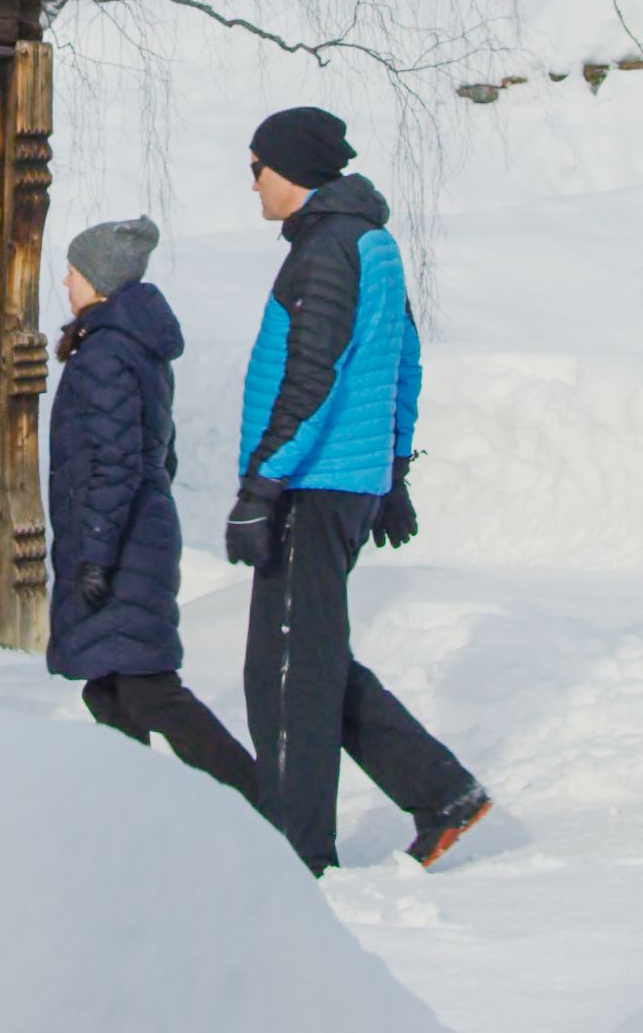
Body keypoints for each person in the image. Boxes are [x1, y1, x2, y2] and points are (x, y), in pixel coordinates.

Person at [226, 106, 492, 873]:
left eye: (257, 169)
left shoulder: (327, 250)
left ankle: (293, 854)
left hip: (312, 484)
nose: (252, 186)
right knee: (308, 657)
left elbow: (313, 377)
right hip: (344, 483)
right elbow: (402, 362)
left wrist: (261, 486)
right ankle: (439, 791)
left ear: (294, 171)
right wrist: (394, 473)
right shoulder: (370, 244)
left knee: (283, 674)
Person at [47, 217, 257, 801]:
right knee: (110, 690)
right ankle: (138, 814)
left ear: (100, 281)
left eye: (76, 270)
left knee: (144, 689)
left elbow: (116, 465)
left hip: (122, 543)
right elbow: (158, 457)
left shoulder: (108, 354)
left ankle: (263, 806)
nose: (66, 279)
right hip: (135, 534)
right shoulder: (129, 346)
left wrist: (95, 554)